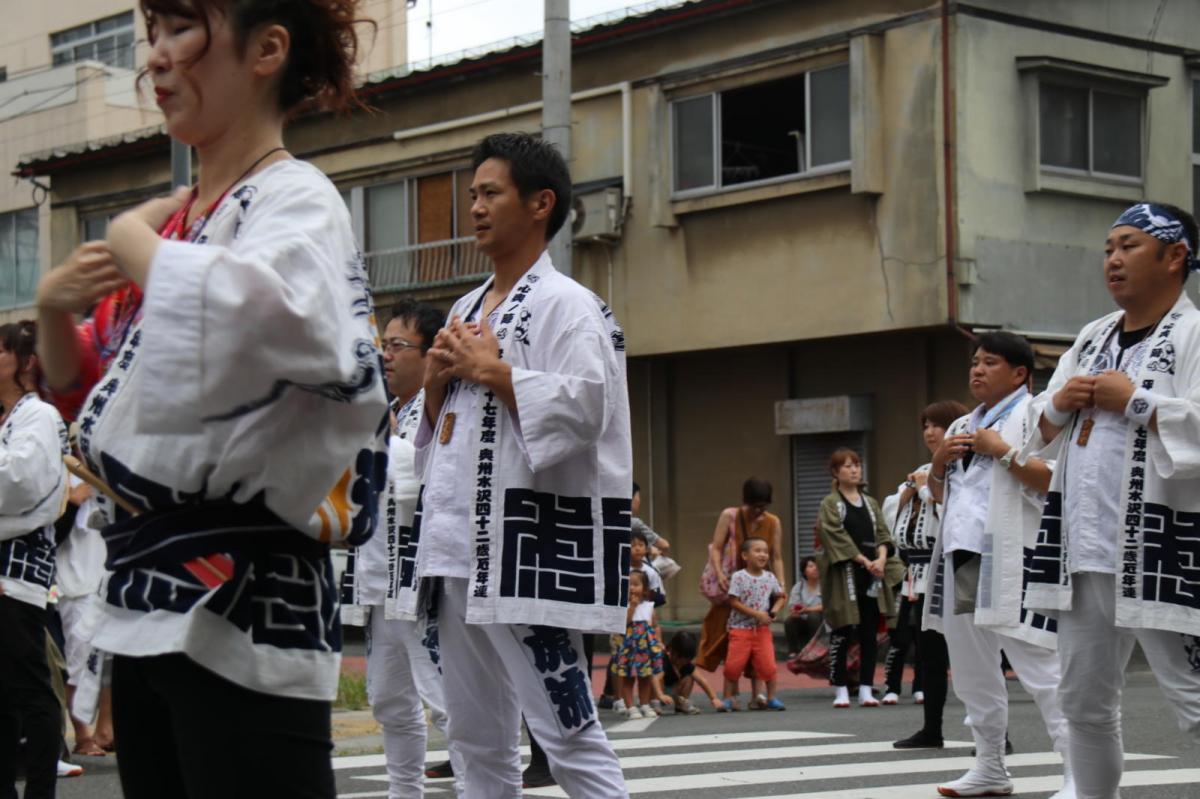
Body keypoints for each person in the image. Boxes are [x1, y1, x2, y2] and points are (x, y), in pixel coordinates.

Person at [33, 3, 388, 797]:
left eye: (182, 30)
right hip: (147, 596)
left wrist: (133, 242)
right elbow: (101, 391)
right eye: (152, 35)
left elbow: (275, 323)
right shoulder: (183, 221)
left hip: (248, 594)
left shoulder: (295, 198)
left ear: (267, 49)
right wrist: (55, 306)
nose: (157, 57)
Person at [392, 132, 630, 798]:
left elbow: (587, 407)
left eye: (490, 193)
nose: (474, 207)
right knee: (474, 740)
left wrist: (492, 371)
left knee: (567, 732)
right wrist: (435, 388)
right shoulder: (466, 308)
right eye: (473, 194)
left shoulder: (569, 305)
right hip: (455, 549)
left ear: (540, 203)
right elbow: (441, 433)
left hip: (521, 550)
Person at [1026, 202, 1200, 799]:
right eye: (1108, 249)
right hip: (1083, 548)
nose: (1113, 259)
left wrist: (1137, 401)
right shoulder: (1092, 336)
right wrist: (1059, 402)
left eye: (1128, 245)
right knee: (1084, 704)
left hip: (1164, 550)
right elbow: (1035, 427)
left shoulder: (1194, 333)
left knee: (1194, 699)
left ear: (1174, 256)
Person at [923, 332, 1074, 799]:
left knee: (1040, 664)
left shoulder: (1037, 413)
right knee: (972, 670)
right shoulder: (961, 424)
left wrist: (1002, 450)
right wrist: (938, 464)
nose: (977, 370)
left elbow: (1055, 480)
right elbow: (941, 496)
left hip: (1014, 554)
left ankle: (1080, 772)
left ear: (1019, 373)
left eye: (990, 362)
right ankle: (989, 766)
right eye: (975, 361)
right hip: (961, 552)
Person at [340, 300, 463, 797]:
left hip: (423, 584)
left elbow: (433, 486)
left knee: (449, 702)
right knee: (390, 701)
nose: (385, 356)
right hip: (379, 581)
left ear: (431, 353)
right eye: (383, 345)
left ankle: (478, 787)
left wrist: (384, 449)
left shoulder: (448, 408)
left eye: (397, 345)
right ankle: (403, 792)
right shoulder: (387, 413)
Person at [0, 320, 70, 799]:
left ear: (25, 362)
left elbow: (21, 483)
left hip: (17, 568)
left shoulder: (39, 415)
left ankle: (40, 792)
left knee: (27, 685)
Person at [884, 400, 967, 749]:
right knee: (929, 655)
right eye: (926, 426)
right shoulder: (920, 470)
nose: (930, 432)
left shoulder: (966, 468)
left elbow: (955, 512)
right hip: (919, 574)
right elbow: (891, 516)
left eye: (937, 425)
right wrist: (911, 488)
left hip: (954, 569)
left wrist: (922, 488)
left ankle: (996, 734)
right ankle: (932, 728)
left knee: (970, 656)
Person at [816, 448, 905, 708]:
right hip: (845, 573)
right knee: (842, 630)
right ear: (835, 472)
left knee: (869, 631)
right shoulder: (831, 503)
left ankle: (866, 687)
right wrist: (864, 560)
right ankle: (841, 688)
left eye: (856, 465)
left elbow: (883, 534)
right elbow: (834, 535)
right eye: (847, 466)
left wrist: (881, 558)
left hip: (872, 574)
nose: (854, 470)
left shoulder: (870, 503)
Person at [696, 477, 785, 709]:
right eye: (754, 506)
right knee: (728, 641)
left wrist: (781, 585)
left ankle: (758, 695)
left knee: (760, 643)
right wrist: (719, 573)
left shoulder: (773, 522)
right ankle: (732, 694)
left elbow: (776, 556)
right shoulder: (730, 515)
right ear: (745, 502)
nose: (758, 511)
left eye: (763, 506)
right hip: (732, 586)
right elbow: (716, 547)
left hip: (760, 590)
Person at [720, 537, 786, 711]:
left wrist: (773, 611)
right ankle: (727, 698)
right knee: (733, 666)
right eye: (757, 551)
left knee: (768, 666)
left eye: (765, 551)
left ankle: (771, 698)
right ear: (745, 556)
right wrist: (757, 614)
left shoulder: (770, 577)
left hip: (762, 630)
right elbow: (733, 601)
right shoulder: (739, 577)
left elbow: (781, 597)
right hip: (739, 629)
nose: (763, 554)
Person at [612, 571, 672, 719]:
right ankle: (630, 706)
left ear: (645, 589)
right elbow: (624, 623)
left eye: (635, 584)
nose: (631, 588)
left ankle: (645, 703)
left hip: (645, 648)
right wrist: (632, 607)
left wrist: (659, 641)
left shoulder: (649, 606)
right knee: (628, 678)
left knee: (645, 677)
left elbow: (655, 626)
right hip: (629, 648)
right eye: (628, 584)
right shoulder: (623, 607)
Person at [662, 631, 722, 714]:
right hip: (660, 692)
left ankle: (681, 703)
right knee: (654, 679)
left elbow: (701, 680)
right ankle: (653, 703)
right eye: (681, 660)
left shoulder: (686, 665)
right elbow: (654, 680)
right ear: (673, 652)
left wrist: (714, 698)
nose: (683, 663)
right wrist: (659, 694)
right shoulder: (662, 660)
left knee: (689, 677)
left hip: (674, 693)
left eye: (687, 660)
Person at [784, 556, 823, 659]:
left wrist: (807, 610)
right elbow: (793, 605)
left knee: (813, 616)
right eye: (811, 566)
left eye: (817, 566)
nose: (815, 568)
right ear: (804, 571)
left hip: (822, 622)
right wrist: (795, 612)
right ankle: (793, 651)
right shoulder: (799, 587)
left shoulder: (825, 585)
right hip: (804, 621)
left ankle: (815, 649)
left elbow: (828, 605)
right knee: (789, 621)